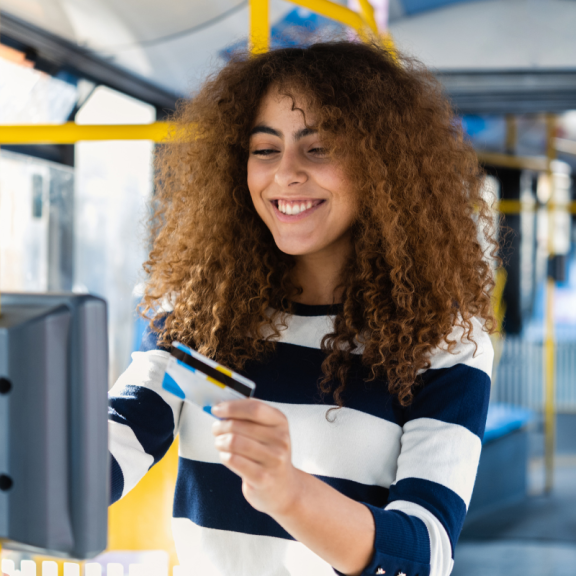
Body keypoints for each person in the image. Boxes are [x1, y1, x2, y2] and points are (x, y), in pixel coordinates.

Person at [108, 40, 498, 576]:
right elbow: (122, 432)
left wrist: (287, 490)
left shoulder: (443, 341)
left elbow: (423, 553)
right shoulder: (205, 316)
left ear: (381, 168)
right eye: (264, 149)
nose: (285, 173)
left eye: (319, 149)